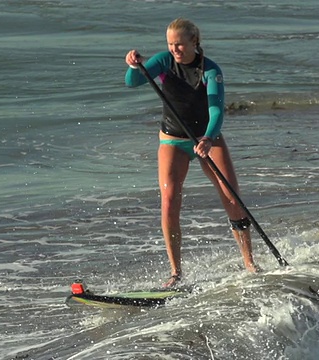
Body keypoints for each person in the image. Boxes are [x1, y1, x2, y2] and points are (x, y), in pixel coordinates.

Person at [124, 18, 258, 288]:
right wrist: (132, 64)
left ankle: (249, 263)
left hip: (207, 138)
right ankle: (176, 272)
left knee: (232, 197)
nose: (175, 49)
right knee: (169, 200)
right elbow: (133, 82)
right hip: (173, 141)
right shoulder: (163, 62)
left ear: (194, 42)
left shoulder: (210, 70)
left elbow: (217, 110)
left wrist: (208, 137)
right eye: (171, 44)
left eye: (180, 45)